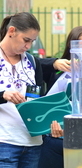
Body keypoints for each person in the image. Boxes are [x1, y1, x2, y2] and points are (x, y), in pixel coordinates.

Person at [38, 26, 82, 168]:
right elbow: (33, 64)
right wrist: (54, 63)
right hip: (54, 140)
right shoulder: (57, 71)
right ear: (72, 45)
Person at [0, 12, 44, 168]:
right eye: (26, 40)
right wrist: (3, 95)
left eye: (32, 41)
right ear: (11, 31)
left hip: (32, 142)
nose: (28, 46)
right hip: (4, 141)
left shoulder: (32, 61)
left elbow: (39, 100)